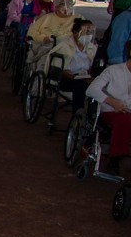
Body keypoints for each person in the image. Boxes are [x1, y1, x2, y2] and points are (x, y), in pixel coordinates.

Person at [86, 43, 131, 177]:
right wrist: (113, 102)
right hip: (111, 110)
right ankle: (115, 159)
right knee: (125, 121)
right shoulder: (113, 70)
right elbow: (91, 90)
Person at [46, 18, 96, 113]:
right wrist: (73, 77)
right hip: (65, 79)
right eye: (86, 32)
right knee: (80, 86)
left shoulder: (91, 49)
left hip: (84, 78)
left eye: (90, 33)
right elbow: (57, 69)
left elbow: (92, 67)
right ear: (76, 33)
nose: (89, 35)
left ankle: (92, 118)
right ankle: (78, 116)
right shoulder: (64, 47)